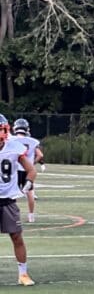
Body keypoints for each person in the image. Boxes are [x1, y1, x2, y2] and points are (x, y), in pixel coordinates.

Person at [0, 114, 37, 285]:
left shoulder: (14, 146)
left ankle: (23, 274)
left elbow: (31, 170)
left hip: (8, 200)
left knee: (17, 237)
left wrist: (28, 183)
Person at [12, 118, 44, 223]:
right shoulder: (33, 141)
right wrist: (32, 163)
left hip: (16, 170)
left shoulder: (11, 140)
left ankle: (13, 215)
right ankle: (31, 216)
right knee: (30, 193)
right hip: (28, 171)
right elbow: (40, 155)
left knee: (13, 194)